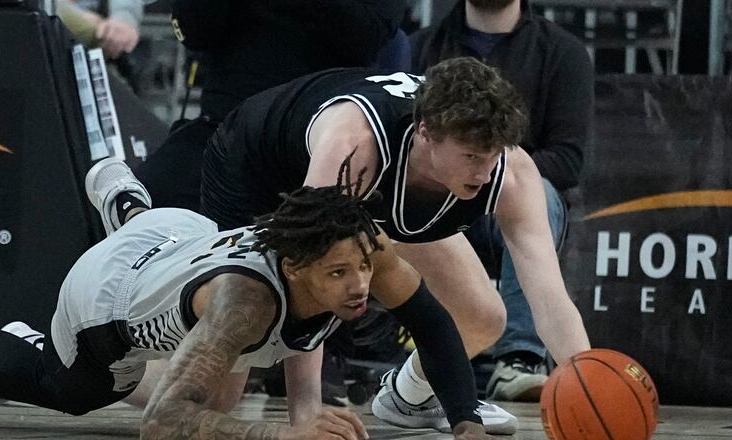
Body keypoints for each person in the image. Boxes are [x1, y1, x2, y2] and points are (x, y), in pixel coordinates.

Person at [0, 157, 493, 439]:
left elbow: (431, 321)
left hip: (182, 234)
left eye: (366, 268)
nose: (361, 285)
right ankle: (26, 342)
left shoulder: (354, 246)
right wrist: (286, 433)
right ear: (296, 268)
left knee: (222, 393)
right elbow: (161, 424)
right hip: (106, 300)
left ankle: (131, 212)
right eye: (340, 273)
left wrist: (465, 423)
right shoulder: (244, 305)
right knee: (72, 390)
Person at [198, 56, 591, 435]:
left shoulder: (510, 172)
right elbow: (310, 283)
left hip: (372, 193)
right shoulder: (355, 148)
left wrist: (589, 385)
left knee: (481, 317)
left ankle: (409, 398)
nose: (484, 172)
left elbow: (550, 299)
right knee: (218, 396)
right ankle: (136, 368)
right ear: (425, 134)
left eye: (491, 157)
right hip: (255, 169)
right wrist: (307, 415)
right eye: (471, 156)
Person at [409, 0, 594, 402]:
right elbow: (403, 140)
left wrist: (492, 168)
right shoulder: (420, 46)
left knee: (540, 194)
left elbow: (566, 160)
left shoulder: (563, 51)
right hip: (432, 192)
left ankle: (521, 359)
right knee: (386, 195)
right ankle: (396, 355)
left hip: (508, 202)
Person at [136, 0, 407, 211]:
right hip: (225, 128)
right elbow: (194, 32)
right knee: (143, 199)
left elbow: (367, 38)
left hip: (314, 133)